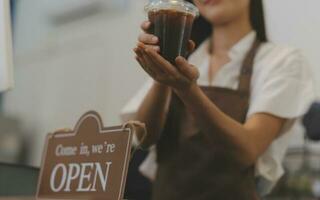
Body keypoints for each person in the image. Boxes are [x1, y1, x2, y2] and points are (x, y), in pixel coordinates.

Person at [122, 0, 315, 199]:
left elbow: (246, 150)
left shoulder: (281, 61)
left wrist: (187, 89)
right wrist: (162, 70)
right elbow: (144, 136)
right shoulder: (188, 57)